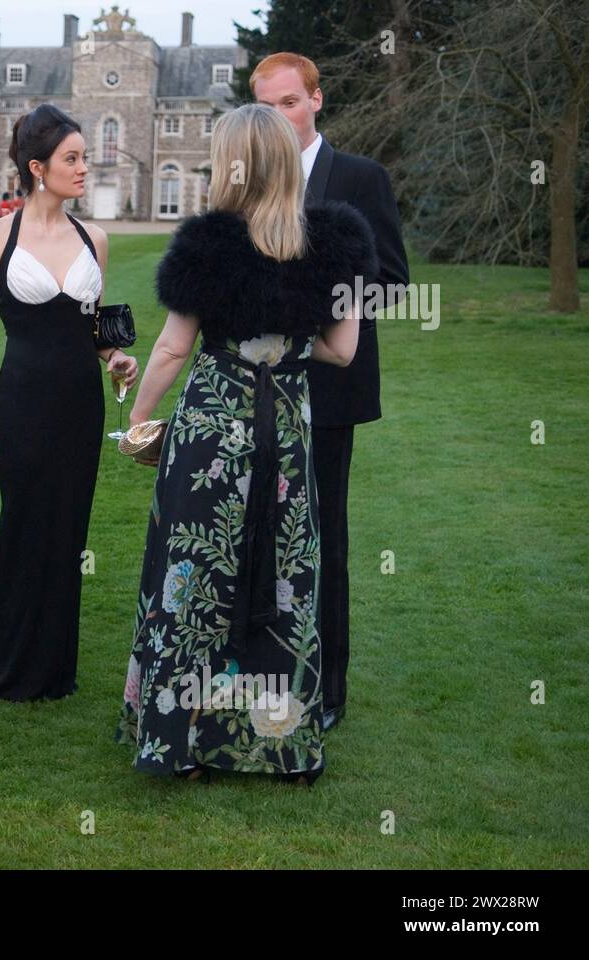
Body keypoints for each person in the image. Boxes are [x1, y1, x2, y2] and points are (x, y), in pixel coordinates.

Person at [114, 104, 377, 784]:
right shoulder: (339, 239)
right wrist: (283, 344)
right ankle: (278, 744)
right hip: (286, 432)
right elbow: (344, 352)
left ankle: (182, 744)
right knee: (283, 580)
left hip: (212, 433)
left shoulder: (211, 242)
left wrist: (137, 422)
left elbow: (173, 347)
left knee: (195, 579)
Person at [253, 53, 410, 732]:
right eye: (267, 107)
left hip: (328, 387)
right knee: (256, 534)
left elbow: (393, 280)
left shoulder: (359, 179)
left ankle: (327, 689)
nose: (280, 118)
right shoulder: (249, 179)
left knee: (322, 538)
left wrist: (314, 305)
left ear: (317, 100)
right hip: (255, 389)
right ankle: (263, 674)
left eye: (290, 102)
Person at [0, 103, 138, 700]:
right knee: (21, 527)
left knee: (67, 533)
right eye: (73, 158)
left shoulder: (97, 238)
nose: (84, 167)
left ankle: (54, 671)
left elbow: (90, 330)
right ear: (38, 168)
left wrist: (114, 357)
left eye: (85, 157)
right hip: (24, 402)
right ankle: (9, 667)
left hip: (80, 407)